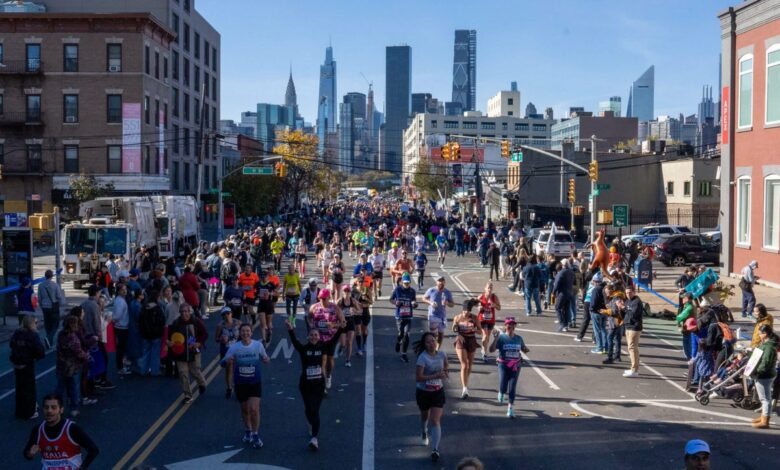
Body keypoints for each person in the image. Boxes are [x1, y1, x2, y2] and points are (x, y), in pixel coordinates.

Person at [285, 319, 343, 451]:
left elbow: (334, 341)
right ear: (308, 337)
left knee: (315, 410)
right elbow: (294, 342)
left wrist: (340, 329)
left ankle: (314, 439)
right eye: (311, 335)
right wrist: (290, 330)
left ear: (319, 337)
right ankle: (310, 424)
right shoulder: (304, 349)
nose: (314, 337)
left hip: (318, 385)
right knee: (308, 409)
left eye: (316, 335)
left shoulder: (322, 347)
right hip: (305, 384)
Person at [220, 323, 270, 449]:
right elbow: (222, 362)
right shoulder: (234, 347)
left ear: (251, 333)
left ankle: (256, 434)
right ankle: (248, 431)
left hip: (254, 382)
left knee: (254, 409)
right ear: (239, 334)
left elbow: (265, 358)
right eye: (243, 331)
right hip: (241, 383)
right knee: (245, 410)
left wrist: (265, 360)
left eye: (248, 331)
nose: (245, 333)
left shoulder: (258, 345)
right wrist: (227, 361)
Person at [23, 394, 99, 468]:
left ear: (61, 409)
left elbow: (93, 450)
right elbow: (27, 453)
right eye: (46, 407)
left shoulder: (72, 429)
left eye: (53, 407)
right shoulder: (37, 430)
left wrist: (83, 467)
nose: (49, 411)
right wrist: (30, 454)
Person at [414, 332, 448, 462]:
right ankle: (423, 431)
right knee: (425, 416)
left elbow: (446, 366)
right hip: (423, 391)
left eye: (433, 340)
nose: (431, 343)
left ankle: (435, 449)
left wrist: (445, 372)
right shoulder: (422, 358)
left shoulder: (442, 354)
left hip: (437, 391)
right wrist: (435, 376)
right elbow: (418, 377)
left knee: (435, 420)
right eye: (428, 342)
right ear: (424, 345)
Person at [489, 317, 530, 418]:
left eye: (512, 324)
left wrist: (525, 349)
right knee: (503, 384)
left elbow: (523, 349)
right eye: (508, 324)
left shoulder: (519, 338)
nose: (510, 326)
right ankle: (501, 392)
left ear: (515, 326)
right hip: (503, 364)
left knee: (512, 387)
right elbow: (491, 350)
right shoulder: (501, 338)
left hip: (516, 365)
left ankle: (510, 408)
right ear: (505, 326)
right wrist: (495, 339)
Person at [168, 303, 208, 404]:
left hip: (193, 351)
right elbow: (170, 337)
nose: (184, 314)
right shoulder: (176, 323)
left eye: (186, 311)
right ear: (180, 313)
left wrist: (199, 343)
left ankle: (202, 383)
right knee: (183, 373)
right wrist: (170, 343)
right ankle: (187, 395)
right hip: (180, 353)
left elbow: (205, 333)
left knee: (195, 371)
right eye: (182, 312)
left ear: (189, 312)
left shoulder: (196, 321)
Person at [307, 289, 345, 390]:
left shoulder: (335, 308)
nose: (322, 300)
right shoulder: (314, 307)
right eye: (321, 298)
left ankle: (328, 376)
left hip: (331, 338)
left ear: (329, 297)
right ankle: (322, 382)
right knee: (322, 360)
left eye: (324, 298)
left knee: (330, 360)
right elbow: (309, 317)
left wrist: (333, 324)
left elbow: (343, 323)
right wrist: (311, 324)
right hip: (319, 338)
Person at [10, 315, 45, 419]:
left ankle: (20, 411)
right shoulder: (33, 335)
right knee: (29, 388)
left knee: (20, 388)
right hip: (27, 363)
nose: (37, 324)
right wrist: (37, 356)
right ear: (31, 324)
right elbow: (40, 350)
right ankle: (29, 411)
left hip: (17, 364)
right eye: (35, 322)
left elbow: (11, 344)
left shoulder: (17, 333)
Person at [56, 315, 89, 417]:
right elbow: (78, 352)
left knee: (60, 387)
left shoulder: (61, 334)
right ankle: (74, 408)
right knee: (74, 387)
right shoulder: (72, 337)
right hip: (72, 366)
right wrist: (86, 356)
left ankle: (57, 407)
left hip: (61, 364)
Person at [452, 299, 482, 399]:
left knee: (469, 365)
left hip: (471, 340)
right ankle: (465, 389)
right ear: (462, 310)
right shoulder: (457, 317)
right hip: (461, 340)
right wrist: (455, 327)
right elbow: (453, 328)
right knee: (464, 364)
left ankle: (465, 380)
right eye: (465, 311)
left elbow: (480, 331)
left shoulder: (474, 318)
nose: (466, 313)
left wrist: (475, 329)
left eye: (468, 311)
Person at [752, 324, 778, 429]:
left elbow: (766, 363)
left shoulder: (769, 347)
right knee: (765, 398)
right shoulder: (767, 344)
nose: (758, 334)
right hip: (766, 374)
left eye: (760, 333)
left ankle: (765, 421)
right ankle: (764, 416)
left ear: (765, 334)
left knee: (765, 399)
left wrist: (756, 372)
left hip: (764, 375)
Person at [390, 273, 418, 362]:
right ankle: (398, 342)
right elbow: (391, 299)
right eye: (405, 283)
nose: (406, 285)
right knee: (401, 334)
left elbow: (414, 300)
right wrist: (396, 303)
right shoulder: (397, 290)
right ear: (402, 281)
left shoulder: (412, 291)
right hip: (400, 316)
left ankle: (404, 354)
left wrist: (414, 304)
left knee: (407, 335)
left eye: (408, 283)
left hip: (408, 316)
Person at [138, 290, 166, 376]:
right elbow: (162, 321)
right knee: (155, 353)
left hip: (145, 334)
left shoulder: (144, 308)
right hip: (156, 334)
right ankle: (154, 371)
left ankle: (143, 370)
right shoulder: (157, 308)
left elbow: (140, 321)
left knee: (145, 352)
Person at [423, 276, 455, 349]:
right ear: (436, 282)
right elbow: (424, 298)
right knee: (433, 335)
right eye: (439, 281)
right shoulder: (431, 290)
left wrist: (447, 303)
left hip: (442, 316)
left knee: (441, 334)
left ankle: (437, 349)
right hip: (433, 315)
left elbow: (452, 304)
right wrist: (430, 303)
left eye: (442, 281)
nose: (441, 282)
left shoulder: (447, 292)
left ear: (444, 283)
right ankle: (432, 348)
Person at [216, 307, 241, 399]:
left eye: (228, 313)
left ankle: (238, 387)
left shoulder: (238, 323)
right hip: (226, 350)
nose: (227, 315)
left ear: (231, 313)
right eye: (224, 314)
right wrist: (221, 339)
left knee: (238, 369)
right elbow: (216, 339)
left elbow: (246, 332)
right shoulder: (220, 325)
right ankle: (229, 388)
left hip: (238, 349)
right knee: (229, 369)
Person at [619, 285, 643, 377]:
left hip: (634, 327)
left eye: (630, 292)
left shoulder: (637, 302)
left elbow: (634, 314)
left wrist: (623, 308)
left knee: (632, 348)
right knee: (631, 348)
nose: (628, 294)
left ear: (634, 292)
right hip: (628, 326)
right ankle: (633, 368)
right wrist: (620, 308)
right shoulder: (628, 301)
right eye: (626, 293)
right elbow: (624, 314)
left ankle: (634, 370)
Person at [38, 269, 65, 348]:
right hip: (53, 307)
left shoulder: (41, 285)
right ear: (52, 276)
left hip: (44, 307)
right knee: (55, 325)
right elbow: (59, 297)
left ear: (45, 276)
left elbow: (39, 298)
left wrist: (41, 305)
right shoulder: (55, 285)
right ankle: (49, 338)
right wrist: (60, 304)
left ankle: (49, 342)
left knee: (47, 324)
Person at [477, 282, 501, 362]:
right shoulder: (481, 296)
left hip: (491, 320)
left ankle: (484, 350)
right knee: (485, 335)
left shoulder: (494, 297)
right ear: (485, 288)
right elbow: (475, 305)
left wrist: (494, 305)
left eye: (491, 288)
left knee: (487, 337)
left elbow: (499, 307)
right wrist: (479, 307)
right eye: (488, 288)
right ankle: (485, 352)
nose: (490, 289)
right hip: (482, 319)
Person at [337, 285, 359, 367]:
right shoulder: (339, 301)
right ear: (342, 292)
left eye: (348, 291)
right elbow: (335, 311)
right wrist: (340, 313)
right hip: (342, 323)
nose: (346, 293)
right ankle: (341, 347)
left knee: (349, 342)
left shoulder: (353, 301)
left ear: (350, 292)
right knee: (343, 343)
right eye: (345, 291)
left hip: (350, 321)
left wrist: (354, 311)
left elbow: (359, 310)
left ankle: (347, 360)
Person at [112, 284, 131, 375]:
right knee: (120, 349)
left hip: (121, 326)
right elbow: (118, 316)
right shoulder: (120, 301)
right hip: (121, 327)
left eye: (125, 289)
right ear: (118, 291)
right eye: (123, 289)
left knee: (121, 348)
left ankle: (121, 365)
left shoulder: (119, 299)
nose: (125, 291)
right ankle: (120, 368)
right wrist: (114, 320)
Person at [552, 259, 575, 332]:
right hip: (569, 292)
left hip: (562, 293)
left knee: (558, 308)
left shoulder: (561, 273)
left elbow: (557, 284)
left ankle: (562, 323)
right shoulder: (571, 272)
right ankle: (566, 324)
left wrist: (553, 292)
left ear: (562, 265)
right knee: (566, 309)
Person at [677, 293, 696, 360]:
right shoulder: (688, 306)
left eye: (683, 298)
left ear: (687, 299)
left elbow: (680, 317)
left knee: (688, 347)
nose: (682, 299)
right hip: (688, 329)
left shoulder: (689, 307)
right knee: (688, 345)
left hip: (688, 329)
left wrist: (678, 318)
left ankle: (691, 360)